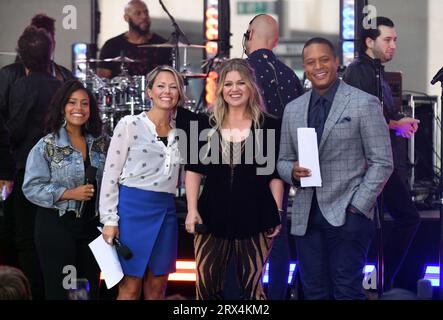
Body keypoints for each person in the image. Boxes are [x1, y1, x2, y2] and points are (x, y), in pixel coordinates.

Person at [277, 38, 393, 300]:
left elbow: (383, 162)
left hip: (348, 215)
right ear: (304, 67)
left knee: (346, 292)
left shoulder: (364, 103)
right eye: (311, 62)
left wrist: (357, 207)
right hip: (306, 219)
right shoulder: (293, 109)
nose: (318, 66)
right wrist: (292, 171)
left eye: (324, 59)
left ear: (337, 62)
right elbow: (282, 160)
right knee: (314, 292)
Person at [185, 58, 283, 300]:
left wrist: (277, 211)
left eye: (241, 83)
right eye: (228, 84)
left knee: (252, 288)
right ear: (221, 90)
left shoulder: (269, 125)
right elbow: (194, 170)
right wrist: (191, 210)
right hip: (210, 216)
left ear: (251, 87)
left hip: (257, 216)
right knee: (206, 287)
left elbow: (274, 175)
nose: (234, 89)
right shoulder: (203, 124)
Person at [343, 16, 421, 291]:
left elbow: (379, 114)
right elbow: (358, 119)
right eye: (387, 40)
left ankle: (379, 281)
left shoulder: (376, 72)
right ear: (369, 41)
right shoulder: (359, 71)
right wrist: (394, 125)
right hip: (367, 164)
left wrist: (398, 122)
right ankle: (376, 281)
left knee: (404, 218)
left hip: (380, 162)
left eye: (395, 40)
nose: (393, 46)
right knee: (406, 218)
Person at [100, 65, 187, 300]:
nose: (166, 91)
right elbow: (110, 174)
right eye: (160, 86)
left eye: (173, 87)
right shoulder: (129, 125)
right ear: (149, 91)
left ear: (180, 93)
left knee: (158, 288)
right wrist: (109, 219)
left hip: (166, 211)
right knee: (129, 288)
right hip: (131, 211)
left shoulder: (183, 131)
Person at [22, 80, 107, 300]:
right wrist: (69, 193)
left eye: (84, 103)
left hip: (91, 227)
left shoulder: (101, 143)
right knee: (62, 292)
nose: (78, 108)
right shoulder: (47, 145)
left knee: (87, 293)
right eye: (72, 102)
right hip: (57, 227)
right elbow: (31, 187)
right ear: (62, 107)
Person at [242, 13, 304, 300]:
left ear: (251, 33)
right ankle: (277, 296)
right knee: (276, 237)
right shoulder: (291, 76)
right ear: (276, 40)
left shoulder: (239, 72)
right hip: (282, 168)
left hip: (246, 165)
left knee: (241, 238)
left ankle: (244, 298)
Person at [5, 26, 63, 300]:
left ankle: (31, 292)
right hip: (57, 174)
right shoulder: (60, 85)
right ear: (49, 53)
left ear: (22, 56)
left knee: (24, 237)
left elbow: (14, 130)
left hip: (28, 172)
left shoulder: (22, 85)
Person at [97, 0, 171, 79]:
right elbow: (102, 80)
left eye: (146, 13)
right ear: (126, 18)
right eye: (138, 13)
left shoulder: (163, 45)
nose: (144, 17)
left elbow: (169, 78)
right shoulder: (112, 45)